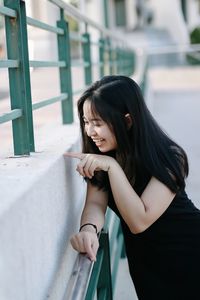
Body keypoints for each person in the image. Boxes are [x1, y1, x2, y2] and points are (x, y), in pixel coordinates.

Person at [65, 75, 200, 300]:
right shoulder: (103, 158)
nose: (90, 132)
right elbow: (96, 204)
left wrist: (112, 167)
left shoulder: (170, 158)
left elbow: (139, 221)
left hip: (191, 253)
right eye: (86, 122)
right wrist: (88, 229)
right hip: (149, 265)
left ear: (127, 121)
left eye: (97, 123)